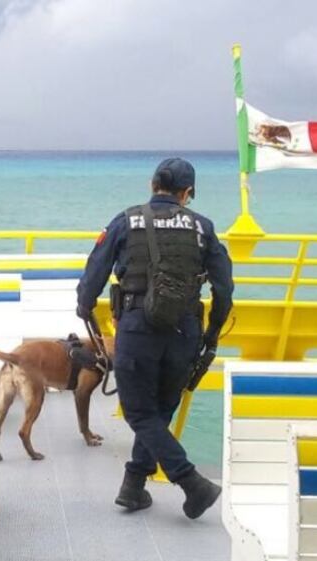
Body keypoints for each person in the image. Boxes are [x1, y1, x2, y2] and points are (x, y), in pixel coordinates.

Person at [76, 157, 234, 519]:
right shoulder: (203, 227)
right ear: (187, 193)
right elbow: (224, 288)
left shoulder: (125, 220)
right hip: (184, 332)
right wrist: (211, 335)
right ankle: (133, 486)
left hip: (136, 328)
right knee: (160, 409)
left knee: (139, 412)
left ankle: (191, 481)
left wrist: (85, 307)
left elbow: (94, 272)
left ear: (152, 184)